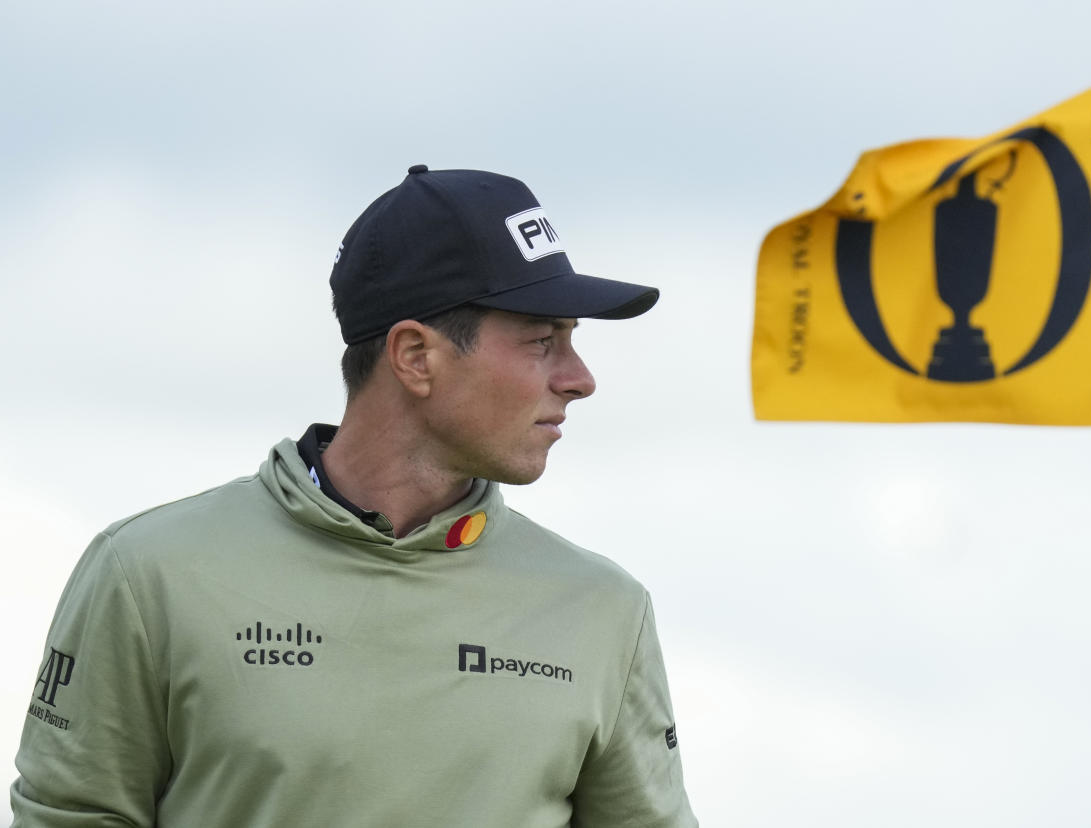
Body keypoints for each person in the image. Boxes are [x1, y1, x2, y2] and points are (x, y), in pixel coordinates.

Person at [11, 165, 697, 827]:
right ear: (415, 357)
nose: (580, 379)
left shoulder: (605, 610)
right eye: (544, 341)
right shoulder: (149, 572)